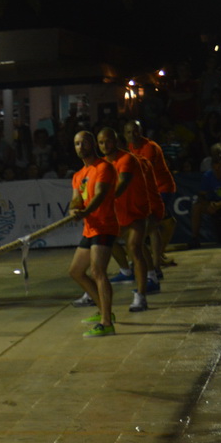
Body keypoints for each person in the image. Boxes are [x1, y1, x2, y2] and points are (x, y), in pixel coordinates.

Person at [68, 130, 119, 338]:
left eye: (84, 143)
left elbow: (100, 195)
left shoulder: (103, 167)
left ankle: (106, 322)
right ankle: (104, 310)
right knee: (76, 272)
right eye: (77, 144)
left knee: (98, 271)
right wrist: (74, 209)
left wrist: (86, 212)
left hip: (104, 225)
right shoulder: (78, 175)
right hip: (90, 228)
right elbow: (76, 199)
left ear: (93, 145)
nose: (81, 147)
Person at [98, 127, 153, 312]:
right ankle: (123, 273)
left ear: (115, 141)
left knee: (135, 248)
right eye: (101, 143)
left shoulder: (127, 159)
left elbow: (122, 183)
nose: (105, 145)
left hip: (136, 212)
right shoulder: (102, 164)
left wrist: (104, 198)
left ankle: (141, 295)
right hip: (118, 214)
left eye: (108, 141)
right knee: (103, 243)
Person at [124, 120, 177, 268]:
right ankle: (156, 260)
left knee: (152, 225)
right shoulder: (130, 147)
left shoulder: (150, 147)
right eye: (129, 132)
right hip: (148, 190)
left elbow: (142, 172)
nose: (133, 134)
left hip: (162, 188)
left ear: (141, 131)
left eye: (135, 131)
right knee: (156, 226)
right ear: (125, 135)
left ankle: (151, 260)